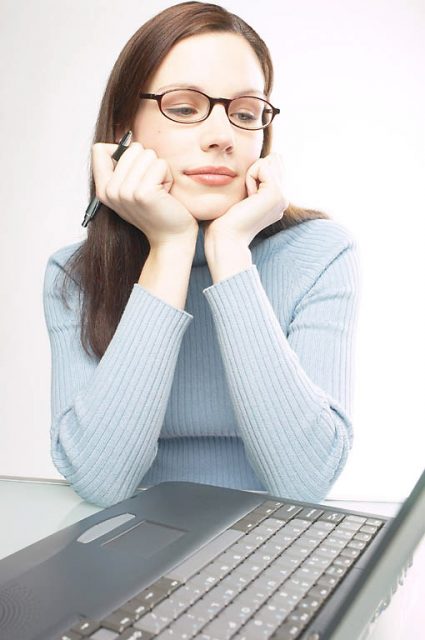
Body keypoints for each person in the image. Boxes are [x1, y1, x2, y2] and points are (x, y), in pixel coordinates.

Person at [43, 1, 360, 508]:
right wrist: (168, 247)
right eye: (185, 108)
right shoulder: (74, 275)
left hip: (268, 550)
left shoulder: (320, 253)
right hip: (132, 548)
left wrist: (230, 250)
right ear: (126, 128)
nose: (222, 137)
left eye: (245, 113)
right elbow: (101, 482)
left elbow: (305, 483)